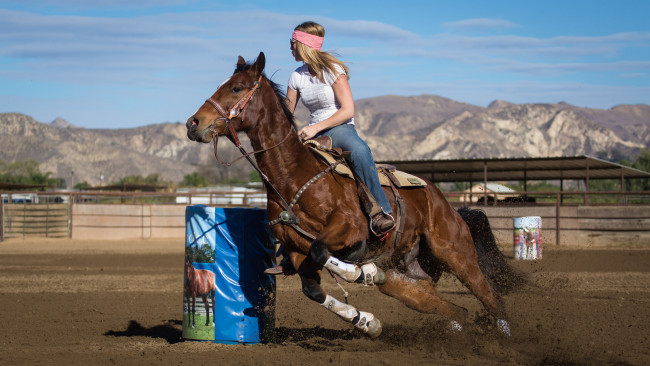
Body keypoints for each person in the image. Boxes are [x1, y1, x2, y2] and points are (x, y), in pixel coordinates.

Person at [284, 21, 394, 236]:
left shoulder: (333, 70)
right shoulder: (296, 76)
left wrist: (315, 128)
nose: (290, 47)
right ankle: (290, 226)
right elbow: (286, 113)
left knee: (360, 151)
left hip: (338, 128)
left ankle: (381, 212)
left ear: (304, 44)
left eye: (293, 43)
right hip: (312, 133)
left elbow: (348, 110)